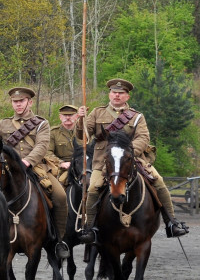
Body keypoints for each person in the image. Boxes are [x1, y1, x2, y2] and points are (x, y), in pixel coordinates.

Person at [76, 78, 189, 242]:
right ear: (109, 94)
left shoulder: (137, 117)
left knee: (159, 182)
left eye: (121, 93)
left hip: (132, 160)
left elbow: (143, 137)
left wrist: (127, 153)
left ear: (127, 97)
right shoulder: (96, 113)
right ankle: (90, 228)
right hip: (103, 163)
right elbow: (83, 136)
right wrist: (80, 120)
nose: (117, 95)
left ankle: (172, 222)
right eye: (114, 92)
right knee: (93, 188)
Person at [0, 87, 68, 260]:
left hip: (34, 167)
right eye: (15, 101)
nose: (18, 105)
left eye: (21, 101)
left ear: (30, 102)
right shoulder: (4, 124)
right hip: (8, 170)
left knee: (60, 196)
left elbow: (41, 146)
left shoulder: (41, 123)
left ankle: (58, 240)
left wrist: (26, 161)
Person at [48, 104, 80, 183]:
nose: (68, 117)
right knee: (60, 184)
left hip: (82, 167)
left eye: (71, 115)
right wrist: (61, 163)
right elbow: (47, 153)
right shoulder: (53, 133)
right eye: (65, 115)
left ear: (77, 116)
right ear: (60, 117)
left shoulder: (83, 131)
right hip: (63, 168)